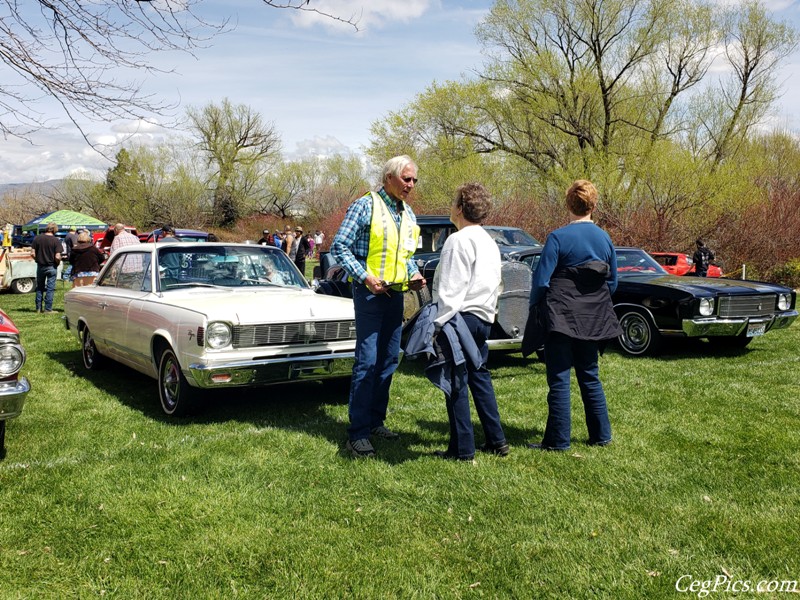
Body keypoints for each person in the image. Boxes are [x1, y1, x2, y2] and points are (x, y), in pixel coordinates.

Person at [331, 154, 426, 458]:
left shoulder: (407, 212)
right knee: (367, 362)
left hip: (396, 295)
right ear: (389, 177)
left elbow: (405, 254)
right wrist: (364, 276)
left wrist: (413, 274)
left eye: (413, 180)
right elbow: (339, 246)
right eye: (406, 179)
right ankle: (357, 434)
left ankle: (375, 422)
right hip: (370, 295)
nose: (411, 185)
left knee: (388, 362)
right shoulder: (366, 205)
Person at [528, 180, 622, 451]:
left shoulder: (558, 237)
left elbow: (542, 281)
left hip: (561, 318)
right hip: (593, 319)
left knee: (559, 377)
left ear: (569, 204)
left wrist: (535, 308)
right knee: (589, 374)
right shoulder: (605, 239)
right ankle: (601, 435)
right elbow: (613, 282)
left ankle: (558, 440)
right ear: (593, 205)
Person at [430, 183, 508, 461]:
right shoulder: (489, 240)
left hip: (459, 317)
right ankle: (497, 440)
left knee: (456, 381)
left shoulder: (458, 239)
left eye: (453, 202)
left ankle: (462, 450)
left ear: (460, 208)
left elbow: (450, 289)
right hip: (484, 318)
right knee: (479, 375)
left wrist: (437, 325)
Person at [31, 222, 62, 314]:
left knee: (39, 287)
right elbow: (57, 256)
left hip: (40, 266)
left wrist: (37, 260)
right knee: (50, 288)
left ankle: (38, 308)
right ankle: (48, 309)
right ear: (54, 230)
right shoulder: (56, 240)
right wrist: (58, 262)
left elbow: (32, 253)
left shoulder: (37, 238)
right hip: (51, 266)